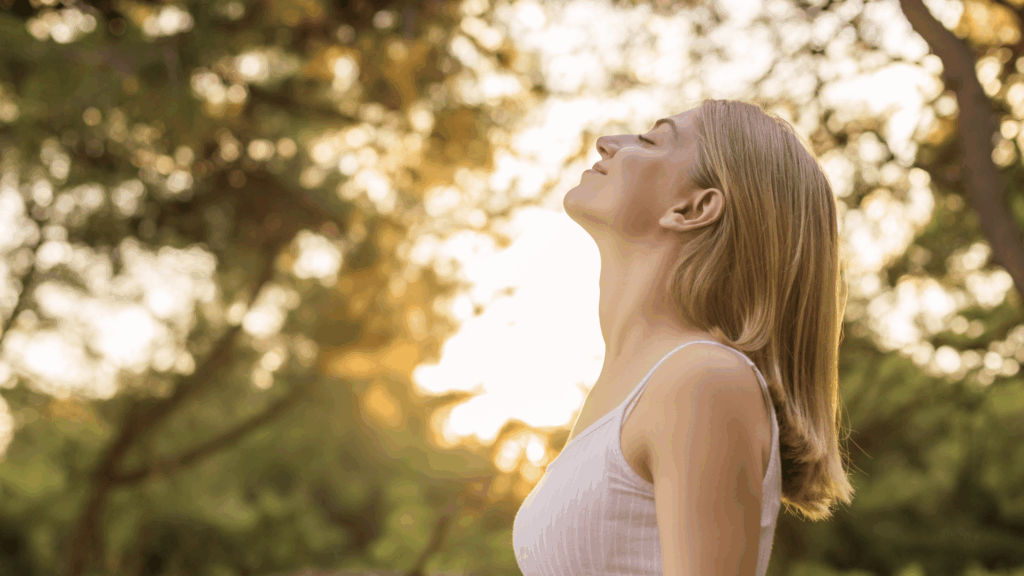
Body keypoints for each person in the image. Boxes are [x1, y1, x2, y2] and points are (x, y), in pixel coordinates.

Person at [512, 99, 855, 576]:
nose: (608, 143)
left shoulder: (703, 380)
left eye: (651, 141)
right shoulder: (640, 385)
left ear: (694, 208)